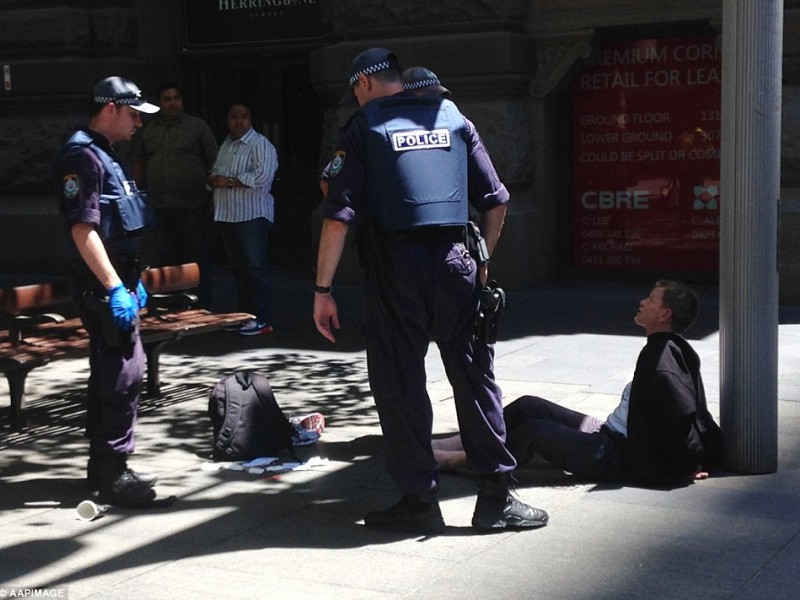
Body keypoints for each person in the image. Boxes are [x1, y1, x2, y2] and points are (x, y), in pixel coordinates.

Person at [313, 47, 549, 534]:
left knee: (400, 385)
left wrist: (322, 289)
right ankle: (496, 500)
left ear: (362, 85)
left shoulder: (363, 129)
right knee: (474, 377)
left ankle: (420, 500)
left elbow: (338, 218)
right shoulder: (454, 119)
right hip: (456, 264)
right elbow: (497, 201)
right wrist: (482, 258)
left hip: (394, 271)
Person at [432, 280, 725, 485]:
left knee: (535, 432)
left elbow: (683, 417)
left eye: (650, 299)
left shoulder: (662, 361)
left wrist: (687, 466)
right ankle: (465, 439)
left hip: (613, 454)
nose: (642, 301)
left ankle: (459, 460)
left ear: (664, 314)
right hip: (609, 432)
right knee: (527, 406)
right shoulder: (665, 349)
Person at [54, 76, 166, 507]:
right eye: (134, 113)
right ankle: (113, 474)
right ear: (111, 109)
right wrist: (116, 287)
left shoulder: (106, 155)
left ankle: (104, 467)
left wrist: (131, 282)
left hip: (116, 282)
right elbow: (83, 230)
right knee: (122, 376)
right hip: (103, 288)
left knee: (115, 374)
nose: (139, 122)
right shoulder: (83, 158)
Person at [207, 102, 278, 336]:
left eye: (243, 116)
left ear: (251, 120)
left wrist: (227, 182)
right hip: (228, 215)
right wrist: (213, 181)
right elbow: (216, 174)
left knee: (256, 267)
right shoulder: (226, 144)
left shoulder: (260, 144)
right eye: (233, 116)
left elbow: (263, 176)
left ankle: (262, 318)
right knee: (238, 269)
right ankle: (245, 315)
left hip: (252, 216)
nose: (238, 121)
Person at [132, 83, 218, 269]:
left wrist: (213, 192)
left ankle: (200, 298)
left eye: (176, 98)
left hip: (192, 206)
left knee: (195, 258)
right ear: (160, 103)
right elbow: (140, 162)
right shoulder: (149, 130)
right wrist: (134, 195)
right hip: (161, 207)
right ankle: (172, 299)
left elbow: (214, 161)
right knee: (166, 258)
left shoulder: (197, 127)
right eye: (167, 99)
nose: (173, 103)